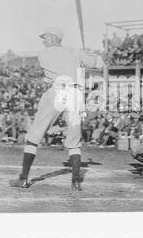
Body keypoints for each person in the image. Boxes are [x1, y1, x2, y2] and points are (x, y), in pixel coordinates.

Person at [9, 27, 104, 190]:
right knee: (74, 139)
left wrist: (81, 55)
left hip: (57, 91)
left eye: (45, 38)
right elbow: (99, 63)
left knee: (34, 135)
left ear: (53, 38)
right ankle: (75, 182)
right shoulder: (75, 52)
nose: (43, 41)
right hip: (74, 93)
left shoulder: (44, 54)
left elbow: (49, 77)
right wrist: (89, 53)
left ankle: (23, 178)